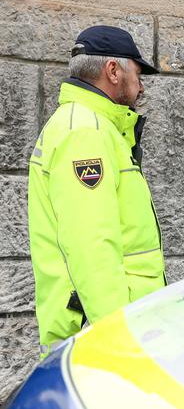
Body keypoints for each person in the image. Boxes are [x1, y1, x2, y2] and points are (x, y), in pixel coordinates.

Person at [28, 25, 164, 357]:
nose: (141, 86)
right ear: (113, 71)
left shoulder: (86, 124)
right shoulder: (86, 132)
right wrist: (120, 342)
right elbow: (92, 247)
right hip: (108, 335)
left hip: (107, 324)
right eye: (137, 74)